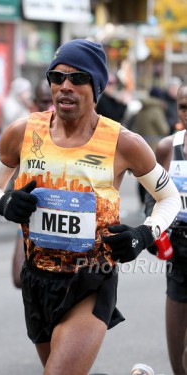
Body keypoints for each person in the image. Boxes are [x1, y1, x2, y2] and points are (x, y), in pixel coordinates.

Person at [0, 39, 180, 375]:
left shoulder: (124, 143)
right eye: (56, 78)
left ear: (96, 86)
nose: (65, 87)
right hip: (38, 278)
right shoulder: (23, 132)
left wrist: (144, 234)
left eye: (78, 78)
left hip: (91, 279)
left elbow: (168, 197)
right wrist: (4, 202)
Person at [145, 83, 187, 375]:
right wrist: (154, 225)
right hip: (179, 253)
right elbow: (152, 196)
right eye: (184, 107)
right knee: (177, 361)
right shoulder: (167, 148)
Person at [11, 78, 53, 288]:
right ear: (35, 102)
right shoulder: (25, 129)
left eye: (52, 101)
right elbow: (9, 173)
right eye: (44, 102)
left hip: (68, 219)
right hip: (33, 215)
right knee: (20, 278)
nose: (50, 108)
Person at [131, 86, 169, 206]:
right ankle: (151, 204)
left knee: (141, 177)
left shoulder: (141, 110)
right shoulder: (156, 110)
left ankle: (142, 203)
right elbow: (164, 129)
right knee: (153, 177)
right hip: (153, 147)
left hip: (139, 147)